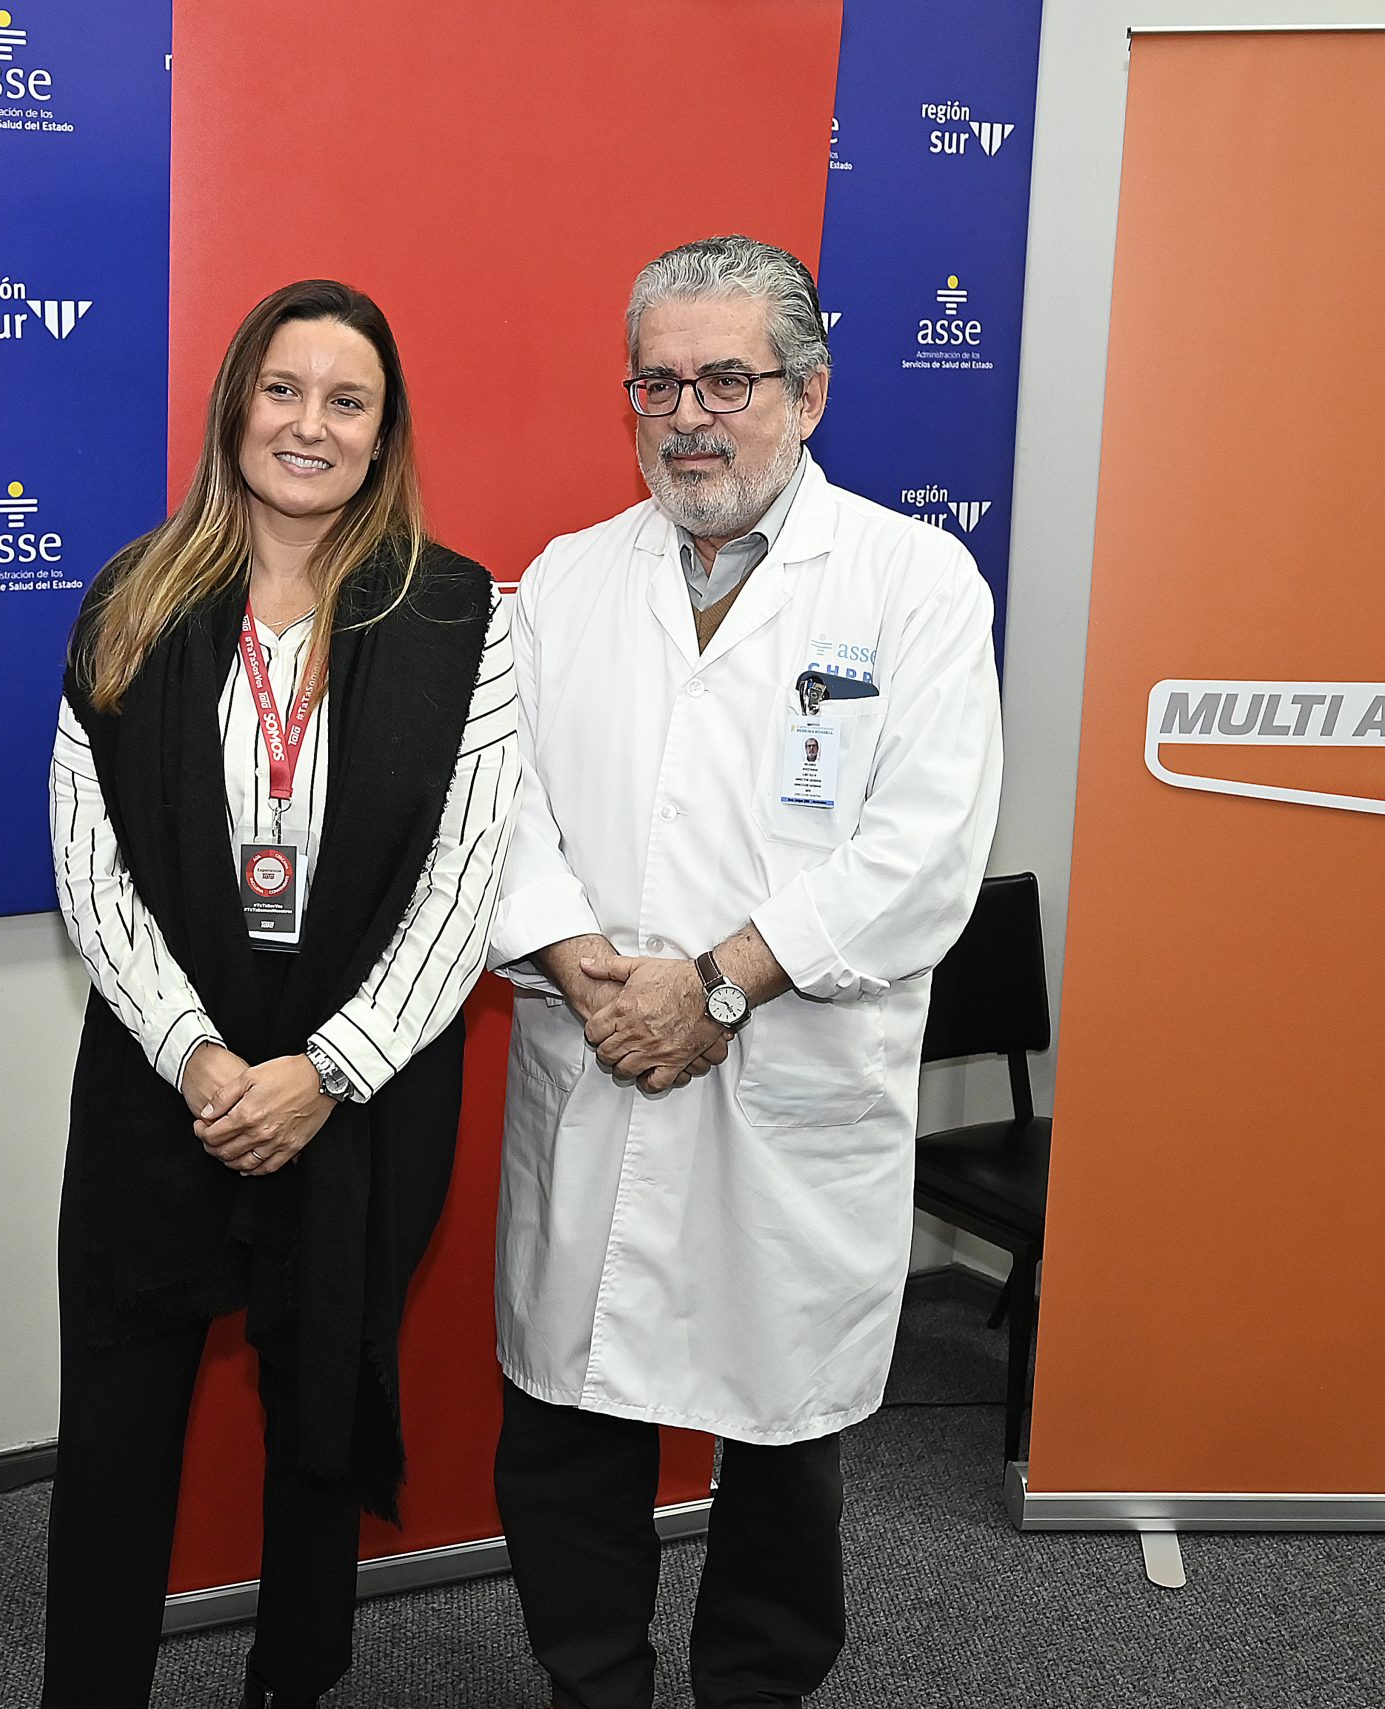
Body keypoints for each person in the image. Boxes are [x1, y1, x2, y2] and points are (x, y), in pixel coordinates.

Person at [487, 235, 1004, 1709]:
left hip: (784, 1083)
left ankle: (756, 1689)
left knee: (781, 1444)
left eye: (728, 376)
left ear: (810, 391)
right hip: (595, 1061)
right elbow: (501, 806)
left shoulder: (914, 584)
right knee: (569, 1425)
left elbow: (923, 848)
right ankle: (593, 1682)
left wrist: (715, 985)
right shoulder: (570, 584)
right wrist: (591, 970)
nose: (689, 412)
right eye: (658, 380)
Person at [43, 279, 518, 1709]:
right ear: (235, 407)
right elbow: (89, 864)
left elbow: (467, 878)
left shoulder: (462, 613)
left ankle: (290, 1682)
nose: (309, 424)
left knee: (319, 1417)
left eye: (346, 399)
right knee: (119, 1428)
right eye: (283, 389)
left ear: (384, 436)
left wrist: (330, 1068)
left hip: (353, 1085)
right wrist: (196, 1054)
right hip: (159, 1077)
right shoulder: (131, 598)